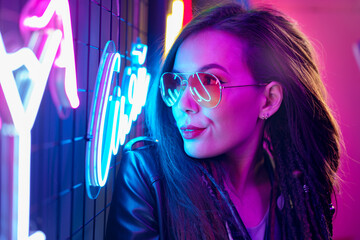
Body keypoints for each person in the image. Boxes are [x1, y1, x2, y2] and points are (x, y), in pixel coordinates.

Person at [106, 3, 341, 240]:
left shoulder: (298, 189)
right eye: (178, 81)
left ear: (268, 101)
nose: (183, 103)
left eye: (209, 81)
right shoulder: (148, 174)